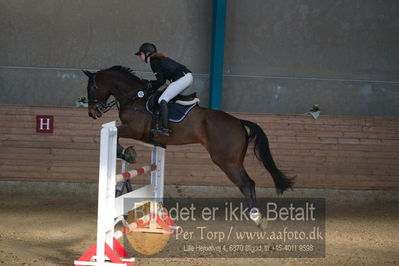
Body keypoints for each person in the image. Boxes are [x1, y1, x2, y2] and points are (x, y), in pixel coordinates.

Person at [135, 42, 193, 136]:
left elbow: (160, 81)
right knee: (169, 99)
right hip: (186, 77)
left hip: (183, 78)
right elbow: (162, 81)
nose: (140, 57)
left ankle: (165, 128)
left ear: (147, 53)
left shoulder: (153, 61)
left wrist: (148, 84)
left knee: (163, 99)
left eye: (140, 54)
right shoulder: (157, 59)